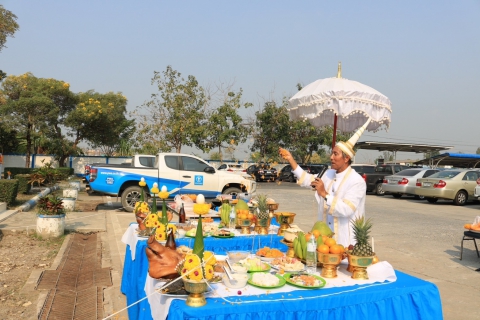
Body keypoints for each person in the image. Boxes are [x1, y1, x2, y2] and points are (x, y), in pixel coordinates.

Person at [279, 119, 371, 247]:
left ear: (346, 158)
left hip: (345, 242)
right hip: (324, 239)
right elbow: (307, 179)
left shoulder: (357, 181)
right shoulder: (329, 174)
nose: (331, 157)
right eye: (332, 153)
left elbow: (346, 209)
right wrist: (291, 159)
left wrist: (324, 194)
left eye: (335, 154)